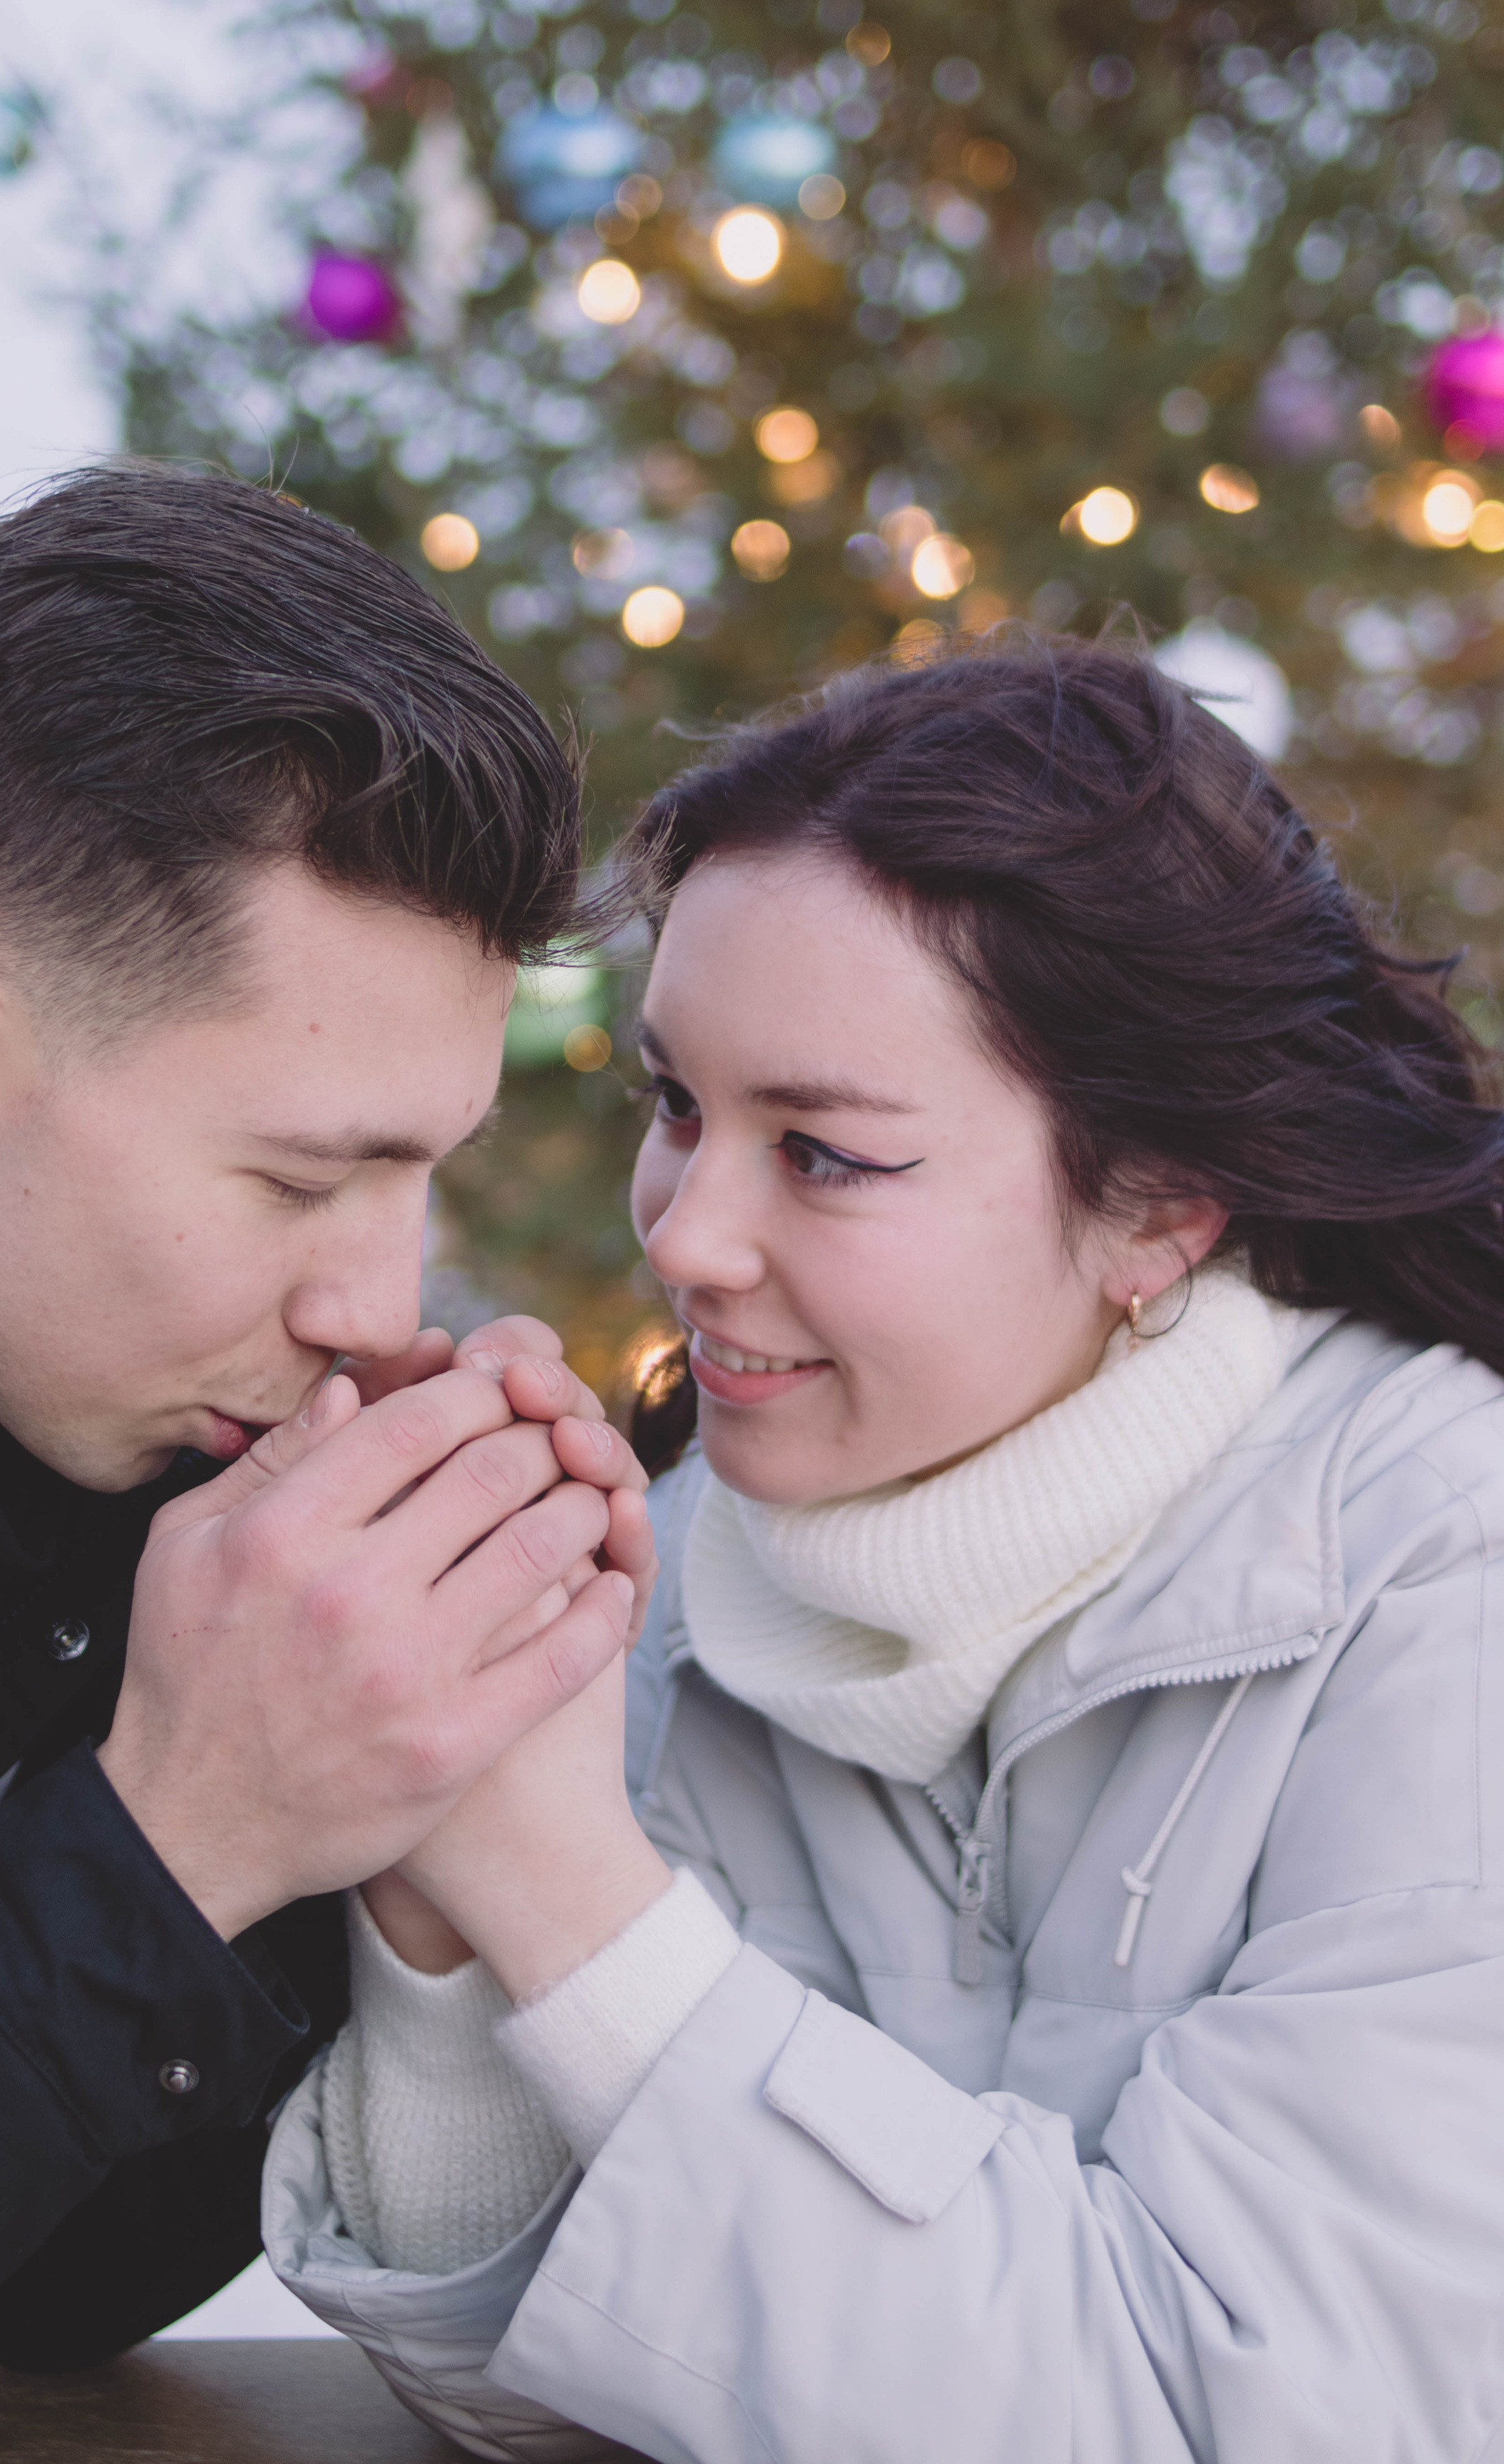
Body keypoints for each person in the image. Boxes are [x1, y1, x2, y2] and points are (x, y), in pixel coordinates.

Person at [262, 640, 1504, 2463]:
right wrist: (441, 1898)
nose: (685, 1236)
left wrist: (567, 1893)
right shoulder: (668, 1589)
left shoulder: (1440, 1581)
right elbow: (542, 2414)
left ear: (1154, 1199)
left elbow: (1248, 2413)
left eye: (825, 1153)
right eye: (676, 1105)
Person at [0, 465, 653, 2464]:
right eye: (303, 1177)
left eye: (421, 1172)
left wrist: (362, 1778)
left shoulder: (84, 1346)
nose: (377, 1307)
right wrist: (182, 1833)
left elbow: (51, 2289)